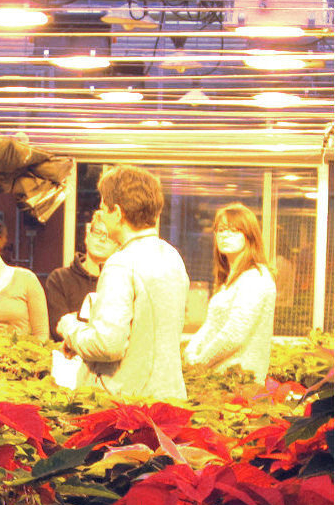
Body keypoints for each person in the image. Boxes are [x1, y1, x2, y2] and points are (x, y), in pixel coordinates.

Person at [58, 165, 189, 400]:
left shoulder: (121, 263)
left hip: (127, 406)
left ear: (117, 213)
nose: (102, 217)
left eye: (103, 210)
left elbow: (108, 345)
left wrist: (70, 329)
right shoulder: (172, 257)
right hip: (168, 399)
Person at [183, 203, 277, 381]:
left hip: (240, 384)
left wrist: (199, 363)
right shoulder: (230, 280)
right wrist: (191, 350)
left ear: (249, 236)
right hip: (217, 380)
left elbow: (234, 334)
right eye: (220, 230)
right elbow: (211, 325)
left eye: (234, 230)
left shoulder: (256, 277)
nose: (225, 235)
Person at [43, 214, 113, 340]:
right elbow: (58, 329)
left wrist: (75, 323)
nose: (102, 239)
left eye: (109, 236)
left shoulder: (119, 284)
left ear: (118, 245)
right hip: (69, 356)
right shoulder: (59, 279)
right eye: (98, 232)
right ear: (87, 236)